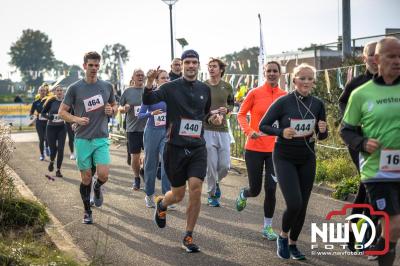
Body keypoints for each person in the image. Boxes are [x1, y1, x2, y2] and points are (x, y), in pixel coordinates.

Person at [143, 50, 223, 253]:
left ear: (198, 65)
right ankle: (162, 204)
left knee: (195, 189)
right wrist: (150, 82)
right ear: (182, 65)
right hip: (175, 148)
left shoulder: (204, 89)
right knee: (178, 195)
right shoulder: (169, 87)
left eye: (194, 62)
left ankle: (188, 235)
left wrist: (212, 118)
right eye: (187, 62)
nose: (190, 65)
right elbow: (149, 99)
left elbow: (202, 115)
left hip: (197, 147)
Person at [340, 37, 400, 266]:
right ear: (368, 58)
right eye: (388, 56)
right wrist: (362, 137)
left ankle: (376, 236)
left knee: (367, 193)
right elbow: (345, 113)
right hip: (365, 148)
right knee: (367, 188)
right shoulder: (357, 86)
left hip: (392, 153)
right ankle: (358, 234)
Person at [259, 63, 328, 260]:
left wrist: (322, 130)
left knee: (303, 204)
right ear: (294, 80)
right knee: (294, 202)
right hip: (284, 156)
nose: (306, 82)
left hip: (307, 157)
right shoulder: (283, 102)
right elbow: (262, 125)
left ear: (314, 81)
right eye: (302, 78)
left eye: (309, 78)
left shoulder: (318, 104)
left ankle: (294, 243)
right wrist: (281, 131)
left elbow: (322, 136)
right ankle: (283, 236)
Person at [59, 51, 117, 224]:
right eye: (90, 65)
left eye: (96, 65)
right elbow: (62, 112)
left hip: (101, 138)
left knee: (104, 175)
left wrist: (112, 110)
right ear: (84, 66)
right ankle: (87, 211)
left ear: (99, 66)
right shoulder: (75, 88)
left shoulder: (107, 86)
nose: (93, 68)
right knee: (85, 178)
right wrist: (76, 119)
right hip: (83, 139)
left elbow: (114, 105)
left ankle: (97, 187)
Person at [235, 61, 286, 240]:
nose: (272, 73)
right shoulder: (255, 93)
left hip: (276, 150)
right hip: (254, 148)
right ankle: (244, 193)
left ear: (280, 74)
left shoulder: (285, 96)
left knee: (271, 189)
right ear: (264, 73)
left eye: (275, 71)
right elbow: (241, 114)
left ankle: (267, 227)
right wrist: (249, 131)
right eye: (269, 71)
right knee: (255, 190)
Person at [338, 41, 378, 252]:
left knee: (368, 187)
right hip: (358, 142)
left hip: (384, 143)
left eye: (378, 54)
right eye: (371, 54)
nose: (375, 58)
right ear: (364, 58)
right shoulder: (357, 83)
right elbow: (343, 103)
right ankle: (365, 238)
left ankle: (354, 235)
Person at [204, 58, 234, 207]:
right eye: (209, 66)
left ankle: (215, 180)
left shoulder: (227, 86)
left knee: (225, 165)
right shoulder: (202, 86)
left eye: (214, 66)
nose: (211, 69)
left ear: (221, 69)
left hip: (223, 130)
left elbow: (232, 104)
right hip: (207, 129)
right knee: (210, 164)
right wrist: (210, 117)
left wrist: (227, 110)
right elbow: (199, 107)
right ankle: (212, 195)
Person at [138, 69, 171, 208]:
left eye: (168, 77)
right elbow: (140, 114)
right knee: (151, 164)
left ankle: (167, 196)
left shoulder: (172, 95)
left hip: (167, 132)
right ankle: (149, 194)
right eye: (163, 78)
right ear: (157, 81)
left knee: (167, 163)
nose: (167, 80)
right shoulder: (151, 95)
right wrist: (152, 113)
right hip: (152, 131)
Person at [118, 69, 147, 190]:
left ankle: (143, 170)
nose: (140, 77)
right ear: (133, 77)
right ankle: (136, 177)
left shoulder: (149, 90)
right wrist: (124, 108)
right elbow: (119, 107)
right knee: (135, 157)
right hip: (133, 129)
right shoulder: (128, 91)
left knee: (150, 156)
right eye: (138, 75)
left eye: (142, 75)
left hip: (148, 129)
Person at [41, 85, 67, 177]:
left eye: (61, 90)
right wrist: (49, 117)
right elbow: (43, 113)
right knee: (53, 150)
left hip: (61, 128)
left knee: (60, 149)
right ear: (55, 92)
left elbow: (71, 112)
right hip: (51, 128)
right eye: (58, 90)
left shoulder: (66, 102)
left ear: (63, 92)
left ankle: (58, 170)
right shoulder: (51, 101)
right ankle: (52, 161)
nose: (59, 92)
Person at [30, 86, 49, 161]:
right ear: (39, 92)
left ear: (46, 92)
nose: (42, 92)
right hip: (39, 123)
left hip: (48, 122)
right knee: (41, 139)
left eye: (44, 91)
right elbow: (31, 113)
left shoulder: (49, 101)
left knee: (47, 137)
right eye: (41, 90)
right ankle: (42, 154)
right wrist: (34, 115)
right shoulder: (35, 102)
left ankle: (47, 147)